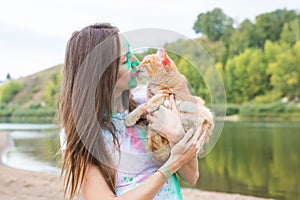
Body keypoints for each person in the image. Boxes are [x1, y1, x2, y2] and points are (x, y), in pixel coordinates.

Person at [58, 23, 204, 200]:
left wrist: (177, 137)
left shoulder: (149, 102)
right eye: (125, 60)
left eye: (131, 53)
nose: (136, 62)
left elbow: (192, 176)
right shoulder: (80, 135)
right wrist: (172, 164)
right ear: (101, 74)